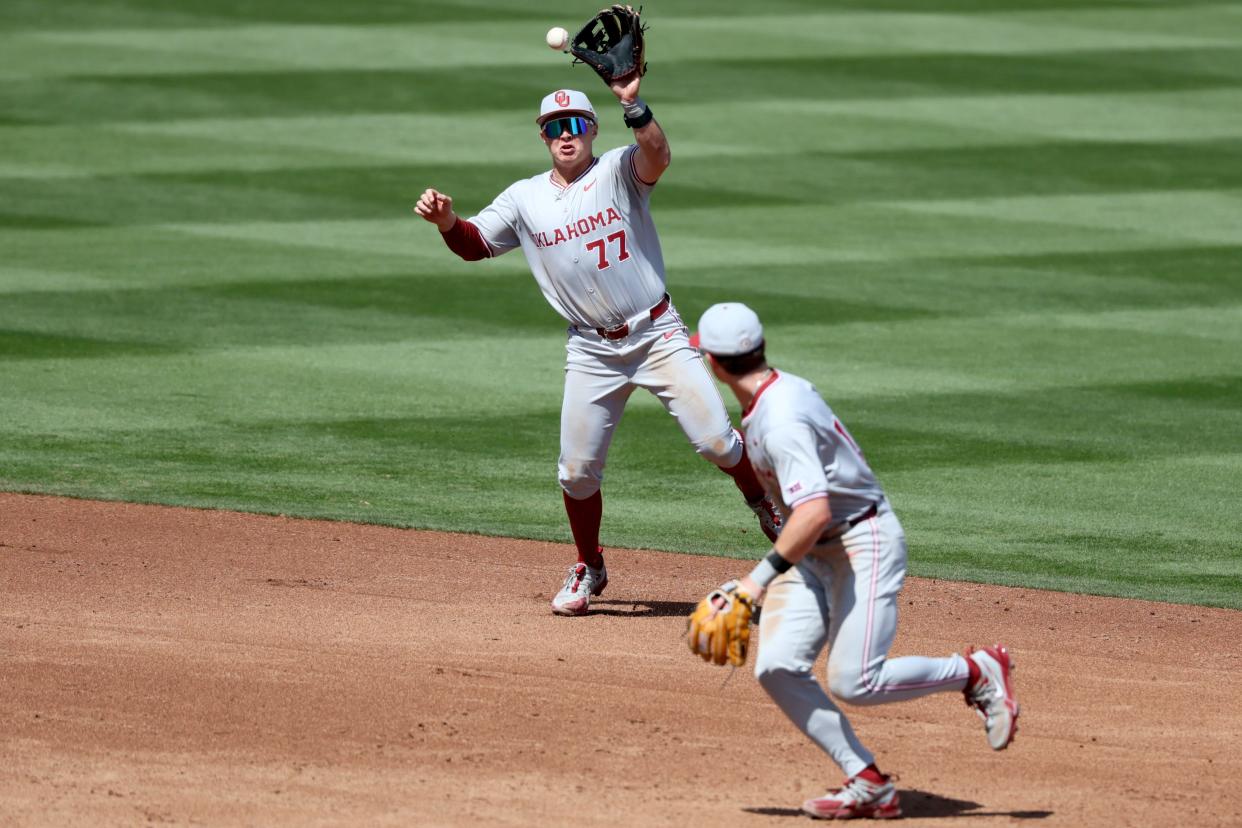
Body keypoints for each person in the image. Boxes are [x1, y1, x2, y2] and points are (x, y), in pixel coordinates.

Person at [412, 75, 781, 617]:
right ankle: (590, 564)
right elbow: (475, 245)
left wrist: (633, 103)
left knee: (717, 443)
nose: (566, 135)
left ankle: (761, 502)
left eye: (575, 125)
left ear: (592, 130)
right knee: (576, 472)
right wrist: (446, 220)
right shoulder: (524, 197)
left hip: (655, 333)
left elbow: (658, 152)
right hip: (591, 350)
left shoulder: (618, 170)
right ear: (543, 137)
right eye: (553, 128)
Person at [690, 302, 1019, 820]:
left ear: (713, 361)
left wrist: (753, 586)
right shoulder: (779, 391)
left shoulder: (778, 420)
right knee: (777, 667)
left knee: (855, 682)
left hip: (863, 542)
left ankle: (976, 672)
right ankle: (867, 782)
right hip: (816, 552)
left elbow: (814, 509)